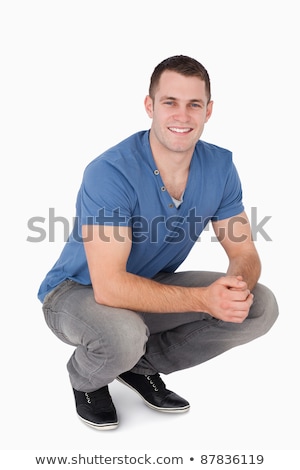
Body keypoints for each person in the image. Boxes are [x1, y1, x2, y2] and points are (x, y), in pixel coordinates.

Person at [38, 55, 279, 430]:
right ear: (150, 106)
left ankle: (138, 367)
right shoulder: (111, 171)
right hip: (77, 293)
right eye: (170, 102)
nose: (182, 116)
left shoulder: (220, 167)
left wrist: (235, 287)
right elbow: (110, 285)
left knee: (258, 305)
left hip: (152, 282)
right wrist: (204, 299)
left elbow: (243, 250)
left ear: (208, 111)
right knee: (123, 334)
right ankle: (87, 378)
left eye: (193, 104)